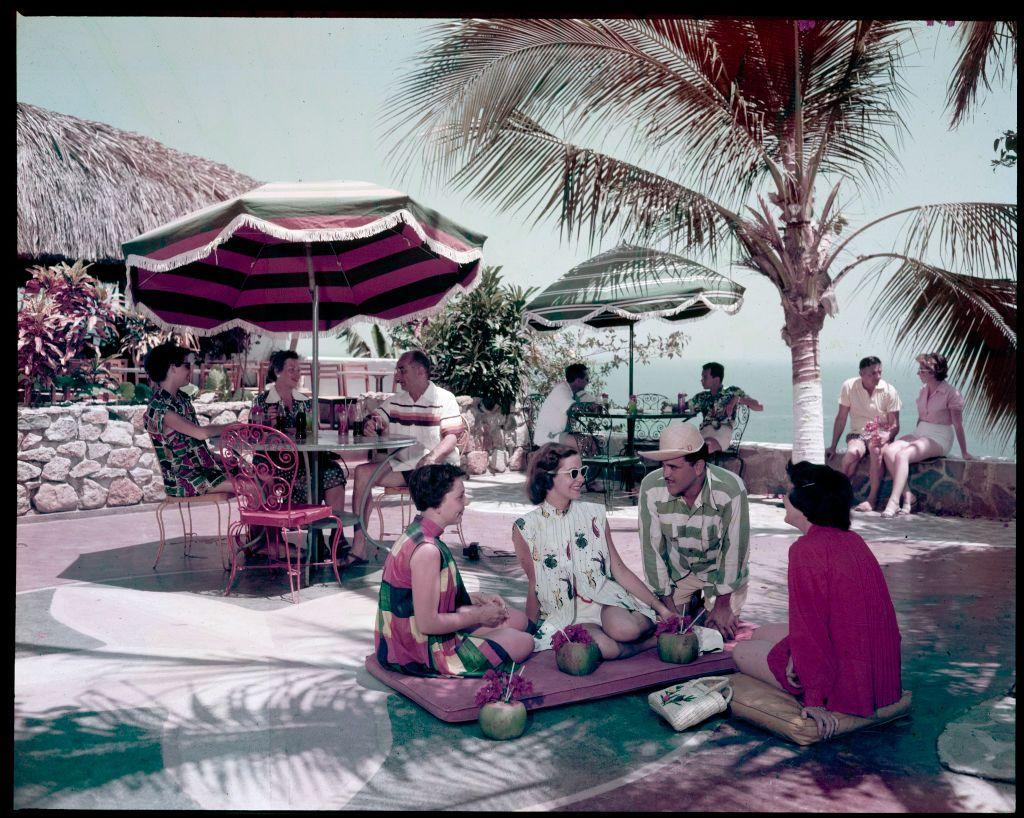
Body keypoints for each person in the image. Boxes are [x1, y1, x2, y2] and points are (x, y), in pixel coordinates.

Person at [732, 461, 903, 740]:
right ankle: (797, 663)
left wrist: (814, 698)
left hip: (846, 684)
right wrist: (797, 655)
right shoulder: (852, 540)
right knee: (760, 633)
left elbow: (810, 626)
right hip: (879, 678)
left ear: (805, 504)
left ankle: (808, 684)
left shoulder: (806, 550)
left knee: (741, 652)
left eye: (790, 492)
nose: (784, 497)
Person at [511, 443, 673, 659]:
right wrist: (530, 632)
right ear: (548, 477)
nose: (581, 479)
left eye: (582, 471)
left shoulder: (594, 515)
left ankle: (646, 623)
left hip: (606, 600)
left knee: (625, 630)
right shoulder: (525, 528)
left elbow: (619, 569)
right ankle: (649, 644)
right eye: (573, 473)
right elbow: (535, 584)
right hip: (567, 614)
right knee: (604, 648)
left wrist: (661, 608)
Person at [374, 463, 534, 676]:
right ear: (437, 504)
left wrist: (478, 599)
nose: (466, 502)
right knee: (524, 642)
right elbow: (428, 623)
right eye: (460, 497)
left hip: (421, 633)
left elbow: (424, 597)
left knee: (519, 621)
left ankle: (482, 635)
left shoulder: (422, 532)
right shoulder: (427, 551)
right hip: (419, 650)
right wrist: (479, 616)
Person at [350, 350, 467, 566]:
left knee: (429, 483)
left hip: (437, 468)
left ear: (421, 371)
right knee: (361, 473)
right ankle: (358, 547)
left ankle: (427, 550)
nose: (397, 377)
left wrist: (432, 458)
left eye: (402, 370)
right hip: (405, 466)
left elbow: (451, 437)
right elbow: (377, 418)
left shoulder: (444, 398)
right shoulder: (396, 401)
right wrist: (370, 425)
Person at [637, 422, 750, 640]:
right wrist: (668, 610)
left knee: (716, 634)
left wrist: (722, 604)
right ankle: (694, 604)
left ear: (698, 467)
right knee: (669, 630)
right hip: (679, 573)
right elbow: (651, 550)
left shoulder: (730, 489)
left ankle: (704, 604)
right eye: (663, 465)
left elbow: (735, 550)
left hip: (720, 574)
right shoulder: (651, 487)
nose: (665, 474)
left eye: (674, 467)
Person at [250, 350, 348, 516]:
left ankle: (334, 533)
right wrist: (269, 426)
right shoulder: (262, 401)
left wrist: (294, 431)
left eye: (298, 369)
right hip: (274, 462)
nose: (297, 374)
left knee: (333, 471)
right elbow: (253, 436)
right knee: (263, 472)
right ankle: (273, 536)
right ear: (277, 371)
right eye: (291, 369)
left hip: (304, 461)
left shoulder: (304, 401)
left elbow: (312, 433)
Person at [880, 353, 971, 518]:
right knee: (888, 451)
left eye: (922, 370)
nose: (918, 373)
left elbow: (958, 424)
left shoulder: (951, 393)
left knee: (903, 455)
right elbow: (921, 417)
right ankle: (908, 496)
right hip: (921, 433)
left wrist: (964, 452)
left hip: (939, 436)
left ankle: (894, 501)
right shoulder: (923, 390)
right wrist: (914, 436)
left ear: (934, 371)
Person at [143, 343, 236, 499]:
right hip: (184, 479)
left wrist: (220, 459)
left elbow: (193, 446)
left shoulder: (181, 400)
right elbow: (200, 434)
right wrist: (232, 426)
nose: (190, 370)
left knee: (255, 475)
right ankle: (264, 522)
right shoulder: (161, 409)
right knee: (249, 486)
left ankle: (261, 522)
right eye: (186, 365)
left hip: (200, 470)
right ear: (172, 368)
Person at [824, 356, 902, 513]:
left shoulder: (889, 391)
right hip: (857, 434)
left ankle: (871, 500)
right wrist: (833, 445)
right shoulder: (849, 386)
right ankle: (842, 494)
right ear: (861, 373)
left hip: (880, 434)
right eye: (872, 373)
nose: (878, 377)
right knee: (851, 454)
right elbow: (841, 417)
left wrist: (886, 437)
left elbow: (895, 426)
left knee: (875, 450)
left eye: (880, 372)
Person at [679, 362, 763, 454]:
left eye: (705, 377)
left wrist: (737, 399)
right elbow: (682, 407)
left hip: (722, 432)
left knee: (705, 447)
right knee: (686, 446)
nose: (701, 380)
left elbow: (759, 407)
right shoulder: (701, 397)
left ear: (716, 380)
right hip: (704, 432)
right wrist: (671, 405)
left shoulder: (732, 391)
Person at [532, 362, 596, 447]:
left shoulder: (572, 392)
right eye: (587, 379)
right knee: (583, 443)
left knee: (591, 441)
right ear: (578, 381)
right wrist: (589, 407)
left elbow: (587, 404)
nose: (588, 382)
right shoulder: (561, 390)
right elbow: (573, 409)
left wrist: (592, 405)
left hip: (559, 433)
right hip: (549, 435)